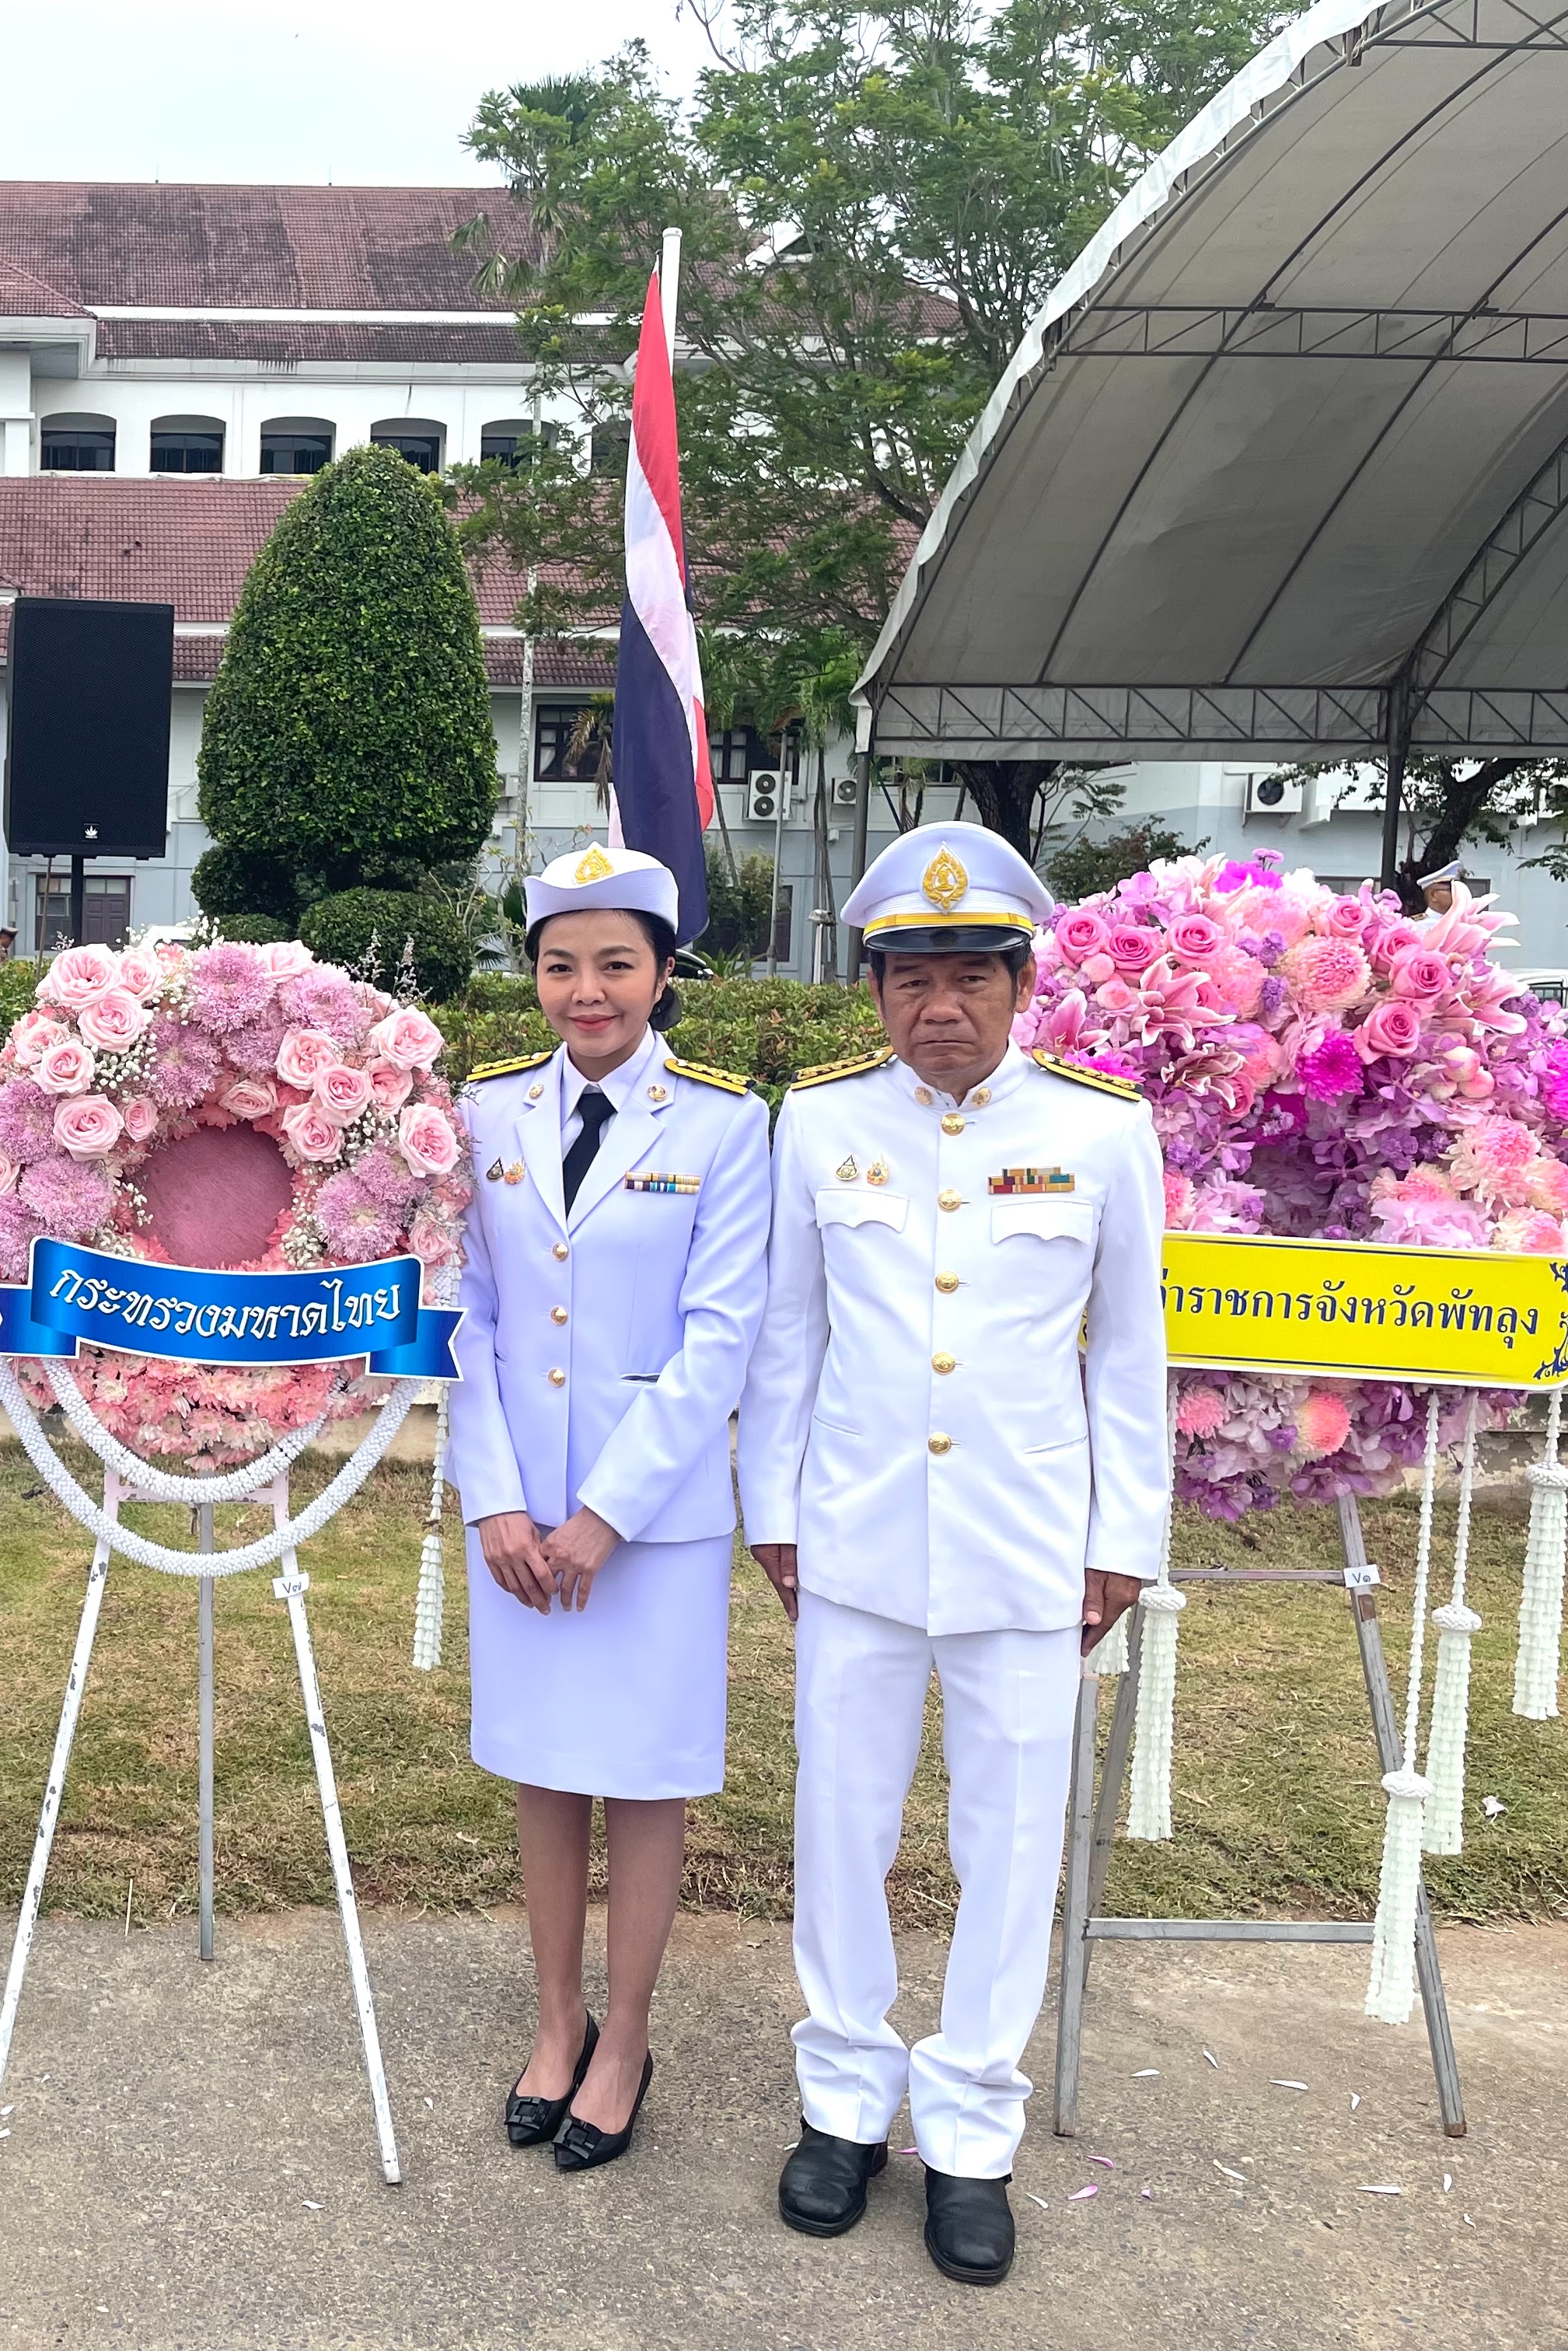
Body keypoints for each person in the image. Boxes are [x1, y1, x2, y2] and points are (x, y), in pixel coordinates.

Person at [737, 822, 1163, 2289]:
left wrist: (1124, 1540)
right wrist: (772, 1512)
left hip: (1029, 1546)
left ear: (1019, 978)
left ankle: (971, 2129)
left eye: (968, 974)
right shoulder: (820, 1121)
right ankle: (843, 2100)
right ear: (873, 988)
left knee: (1005, 1841)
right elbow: (788, 1334)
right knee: (838, 1827)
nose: (938, 1005)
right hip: (852, 1533)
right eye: (909, 976)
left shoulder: (1101, 1129)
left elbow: (1129, 1358)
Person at [447, 842, 772, 2173]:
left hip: (651, 1526)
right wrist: (497, 1501)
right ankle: (552, 2017)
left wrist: (606, 1512)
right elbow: (456, 1314)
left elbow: (722, 1336)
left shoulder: (722, 1121)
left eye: (615, 963)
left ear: (660, 971)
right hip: (518, 1514)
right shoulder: (482, 1115)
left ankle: (626, 2034)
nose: (587, 990)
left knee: (641, 1778)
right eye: (560, 963)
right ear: (532, 973)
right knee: (542, 1768)